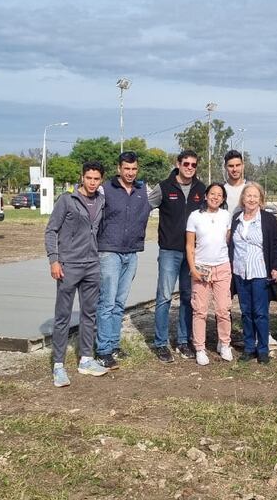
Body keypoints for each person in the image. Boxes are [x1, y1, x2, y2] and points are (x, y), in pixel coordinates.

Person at [44, 161, 108, 386]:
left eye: (96, 179)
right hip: (69, 265)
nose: (92, 182)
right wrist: (54, 260)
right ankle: (59, 365)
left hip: (92, 265)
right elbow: (51, 230)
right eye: (88, 178)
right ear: (82, 177)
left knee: (89, 314)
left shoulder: (101, 200)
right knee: (62, 316)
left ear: (101, 180)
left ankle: (86, 359)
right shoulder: (67, 200)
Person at [95, 151, 151, 370]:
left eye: (134, 169)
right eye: (126, 169)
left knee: (119, 303)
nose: (130, 173)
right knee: (107, 302)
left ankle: (114, 343)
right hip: (109, 251)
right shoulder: (105, 190)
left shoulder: (142, 190)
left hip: (131, 252)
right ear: (119, 168)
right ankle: (103, 350)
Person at [148, 150, 206, 363]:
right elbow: (144, 207)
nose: (189, 167)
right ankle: (161, 343)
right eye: (186, 164)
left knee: (187, 297)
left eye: (193, 164)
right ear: (178, 164)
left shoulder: (202, 189)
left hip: (193, 253)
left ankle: (183, 341)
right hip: (169, 251)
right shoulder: (163, 187)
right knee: (164, 297)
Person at [228, 182, 277, 364]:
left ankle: (263, 349)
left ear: (260, 200)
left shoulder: (268, 220)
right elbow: (230, 245)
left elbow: (275, 246)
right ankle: (249, 347)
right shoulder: (236, 218)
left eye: (255, 196)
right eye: (248, 196)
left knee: (260, 312)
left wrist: (276, 267)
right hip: (240, 272)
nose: (251, 199)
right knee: (245, 312)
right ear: (243, 198)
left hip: (260, 273)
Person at [185, 183, 233, 366]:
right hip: (201, 267)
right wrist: (194, 268)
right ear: (205, 196)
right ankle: (200, 348)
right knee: (200, 310)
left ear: (223, 199)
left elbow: (226, 241)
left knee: (223, 309)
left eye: (219, 195)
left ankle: (225, 343)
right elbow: (190, 245)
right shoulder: (195, 216)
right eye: (212, 193)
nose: (215, 197)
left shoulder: (226, 216)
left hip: (222, 267)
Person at [222, 149, 246, 215]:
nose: (235, 169)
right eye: (231, 166)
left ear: (243, 165)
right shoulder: (220, 190)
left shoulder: (250, 189)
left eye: (238, 165)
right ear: (225, 167)